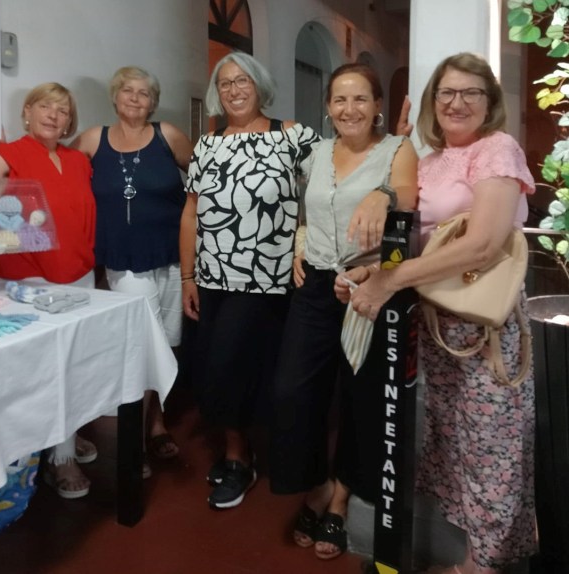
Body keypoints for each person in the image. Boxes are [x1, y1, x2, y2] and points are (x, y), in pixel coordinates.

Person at [336, 53, 536, 574]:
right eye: (446, 92)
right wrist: (368, 272)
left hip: (484, 327)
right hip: (435, 324)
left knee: (491, 446)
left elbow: (483, 245)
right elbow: (418, 243)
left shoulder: (497, 149)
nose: (457, 102)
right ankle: (472, 559)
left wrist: (391, 281)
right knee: (452, 441)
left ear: (490, 102)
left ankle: (484, 566)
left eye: (471, 92)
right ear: (432, 101)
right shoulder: (429, 161)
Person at [269, 63, 418, 560]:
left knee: (361, 396)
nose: (349, 109)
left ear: (377, 106)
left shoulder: (397, 150)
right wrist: (299, 243)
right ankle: (316, 484)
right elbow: (308, 210)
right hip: (315, 284)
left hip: (368, 285)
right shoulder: (315, 154)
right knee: (292, 389)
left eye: (360, 99)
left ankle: (340, 498)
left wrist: (383, 193)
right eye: (339, 99)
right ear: (328, 107)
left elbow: (408, 209)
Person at [180, 51, 325, 510]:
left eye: (243, 80)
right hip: (213, 277)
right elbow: (191, 213)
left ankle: (242, 458)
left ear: (259, 86)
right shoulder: (207, 144)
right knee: (217, 366)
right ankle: (238, 451)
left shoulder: (293, 135)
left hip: (268, 279)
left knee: (242, 368)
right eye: (225, 83)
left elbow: (331, 187)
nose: (234, 89)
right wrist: (187, 276)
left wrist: (305, 244)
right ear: (216, 93)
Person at [0, 82, 97, 498]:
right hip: (31, 281)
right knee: (49, 370)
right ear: (27, 112)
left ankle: (66, 434)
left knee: (77, 364)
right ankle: (60, 459)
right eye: (45, 106)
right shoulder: (8, 154)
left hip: (80, 275)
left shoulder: (78, 160)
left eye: (63, 111)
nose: (54, 116)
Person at [72, 66, 193, 475]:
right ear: (115, 96)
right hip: (124, 260)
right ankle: (134, 443)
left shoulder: (168, 135)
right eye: (128, 91)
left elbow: (206, 178)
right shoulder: (93, 139)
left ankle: (157, 424)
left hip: (173, 256)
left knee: (168, 342)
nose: (136, 98)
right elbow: (61, 174)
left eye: (144, 93)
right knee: (141, 345)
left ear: (153, 102)